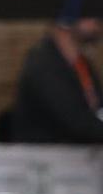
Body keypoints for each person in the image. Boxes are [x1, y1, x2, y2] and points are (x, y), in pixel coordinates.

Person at [6, 16, 103, 145]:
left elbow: (98, 110)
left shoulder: (83, 65)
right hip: (44, 159)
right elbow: (74, 120)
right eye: (87, 13)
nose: (97, 20)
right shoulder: (42, 64)